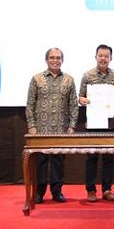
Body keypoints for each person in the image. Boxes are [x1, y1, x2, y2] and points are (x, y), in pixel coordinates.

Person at [25, 47, 78, 203]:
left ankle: (57, 192)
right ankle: (39, 193)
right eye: (52, 57)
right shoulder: (37, 79)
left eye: (58, 58)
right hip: (40, 130)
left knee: (58, 162)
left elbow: (73, 105)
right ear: (46, 60)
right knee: (40, 162)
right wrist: (31, 126)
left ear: (62, 60)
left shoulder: (69, 80)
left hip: (61, 129)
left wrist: (72, 126)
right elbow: (30, 104)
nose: (55, 60)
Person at [78, 44, 114, 203]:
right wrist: (82, 100)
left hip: (111, 124)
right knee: (92, 158)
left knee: (108, 159)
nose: (103, 58)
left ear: (111, 58)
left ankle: (107, 189)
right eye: (100, 55)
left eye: (106, 56)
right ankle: (91, 190)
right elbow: (80, 97)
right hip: (94, 122)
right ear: (96, 57)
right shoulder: (88, 75)